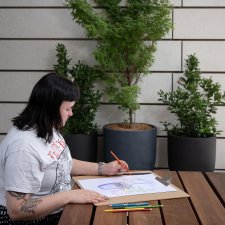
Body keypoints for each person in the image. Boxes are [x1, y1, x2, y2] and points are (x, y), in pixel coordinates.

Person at [0, 73, 128, 225]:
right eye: (67, 109)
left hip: (59, 210)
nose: (71, 113)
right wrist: (69, 196)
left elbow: (60, 163)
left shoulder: (46, 127)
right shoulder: (23, 147)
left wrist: (103, 168)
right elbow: (17, 210)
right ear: (51, 108)